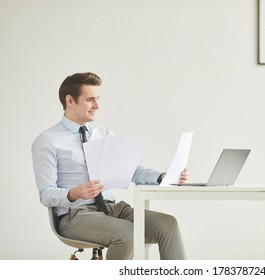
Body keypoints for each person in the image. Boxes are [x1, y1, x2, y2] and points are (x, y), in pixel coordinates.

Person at [32, 72, 188, 260]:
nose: (97, 106)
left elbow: (134, 170)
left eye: (97, 99)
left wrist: (162, 176)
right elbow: (46, 194)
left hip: (112, 208)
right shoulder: (48, 141)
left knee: (167, 224)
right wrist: (74, 193)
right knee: (127, 234)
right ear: (70, 100)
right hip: (76, 215)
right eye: (90, 99)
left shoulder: (104, 134)